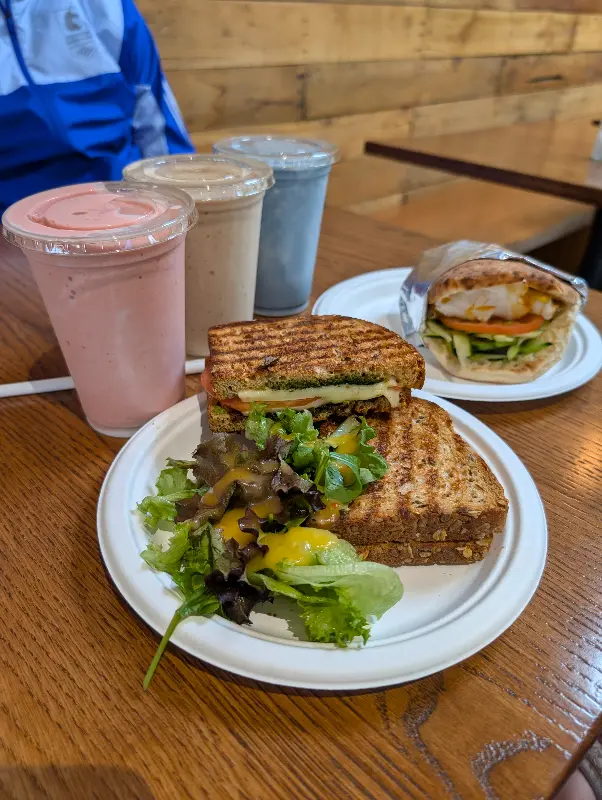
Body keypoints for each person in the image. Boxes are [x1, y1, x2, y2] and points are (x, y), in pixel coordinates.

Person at [0, 0, 193, 214]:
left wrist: (178, 210)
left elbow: (161, 134)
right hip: (12, 216)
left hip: (124, 205)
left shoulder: (109, 7)